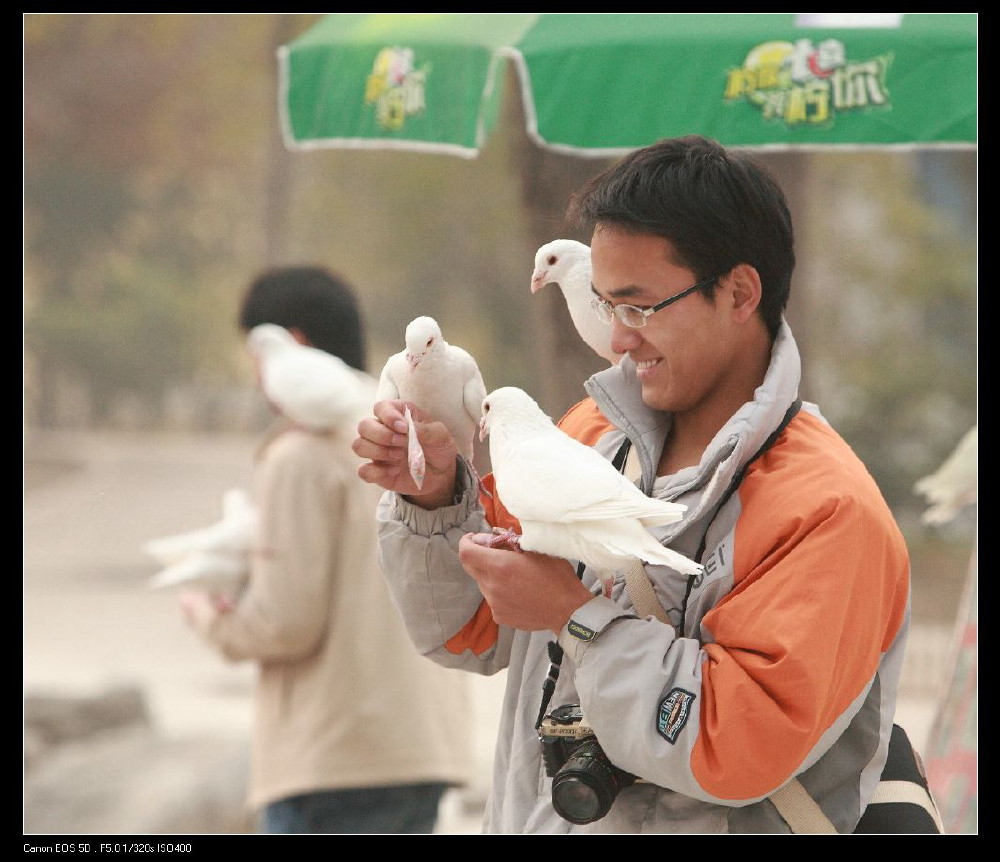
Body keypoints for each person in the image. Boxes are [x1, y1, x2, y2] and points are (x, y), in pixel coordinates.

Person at [353, 136, 912, 833]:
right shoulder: (588, 434)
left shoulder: (826, 511)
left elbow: (733, 745)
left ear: (739, 293)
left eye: (639, 307)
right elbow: (468, 634)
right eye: (607, 305)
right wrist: (434, 499)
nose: (618, 338)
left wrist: (576, 614)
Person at [179, 265, 473, 834]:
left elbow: (285, 622)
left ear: (293, 345)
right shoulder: (414, 427)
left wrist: (205, 614)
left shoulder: (301, 454)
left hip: (334, 761)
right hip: (423, 747)